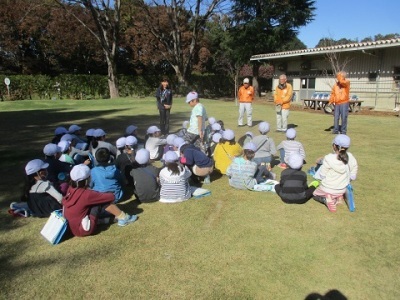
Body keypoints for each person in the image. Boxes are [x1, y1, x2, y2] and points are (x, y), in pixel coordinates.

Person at [62, 164, 137, 237]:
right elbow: (111, 197)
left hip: (71, 228)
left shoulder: (70, 189)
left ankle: (109, 219)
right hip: (84, 228)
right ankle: (123, 218)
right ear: (87, 179)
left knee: (95, 203)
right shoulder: (86, 194)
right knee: (101, 201)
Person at [313, 134, 358, 212]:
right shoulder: (350, 157)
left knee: (314, 194)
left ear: (334, 146)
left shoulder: (329, 158)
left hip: (327, 188)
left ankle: (326, 199)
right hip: (342, 189)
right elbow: (353, 175)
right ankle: (339, 197)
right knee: (336, 191)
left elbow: (322, 175)